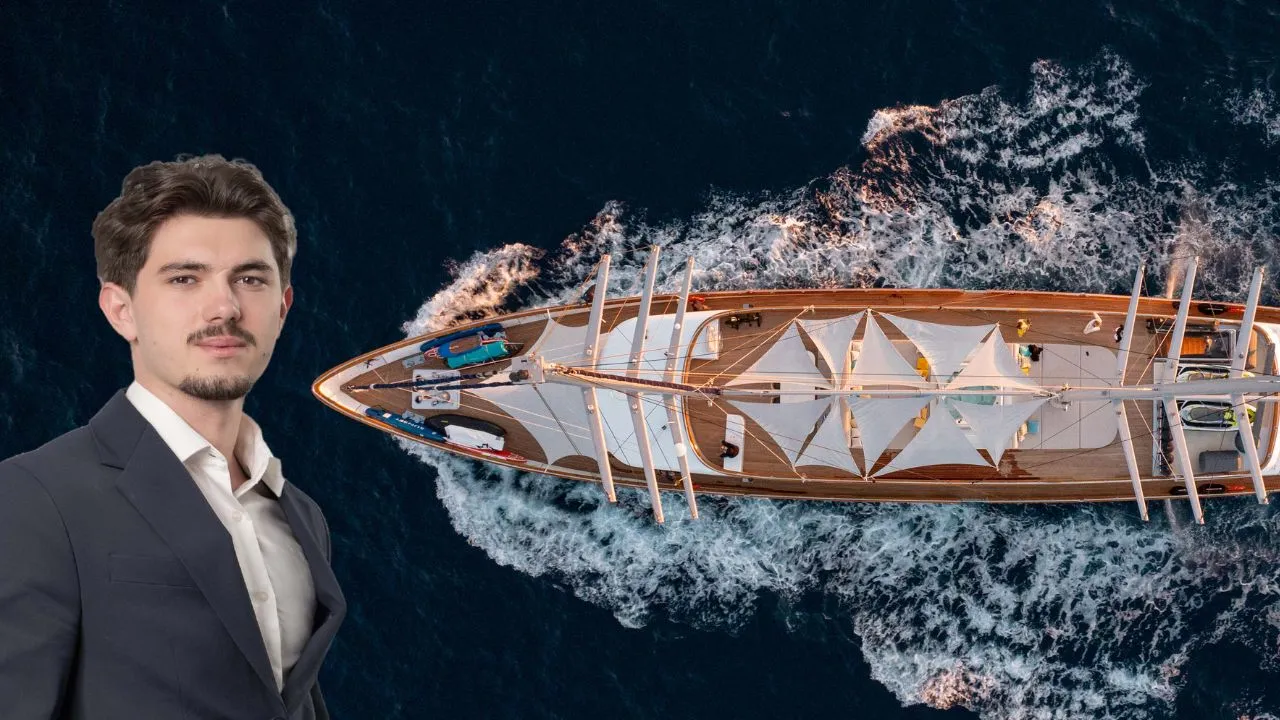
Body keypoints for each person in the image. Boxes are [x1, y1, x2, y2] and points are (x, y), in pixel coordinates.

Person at [0, 155, 346, 719]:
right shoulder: (35, 499)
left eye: (251, 279)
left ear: (282, 309)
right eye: (185, 278)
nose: (226, 307)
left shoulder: (302, 516)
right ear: (121, 311)